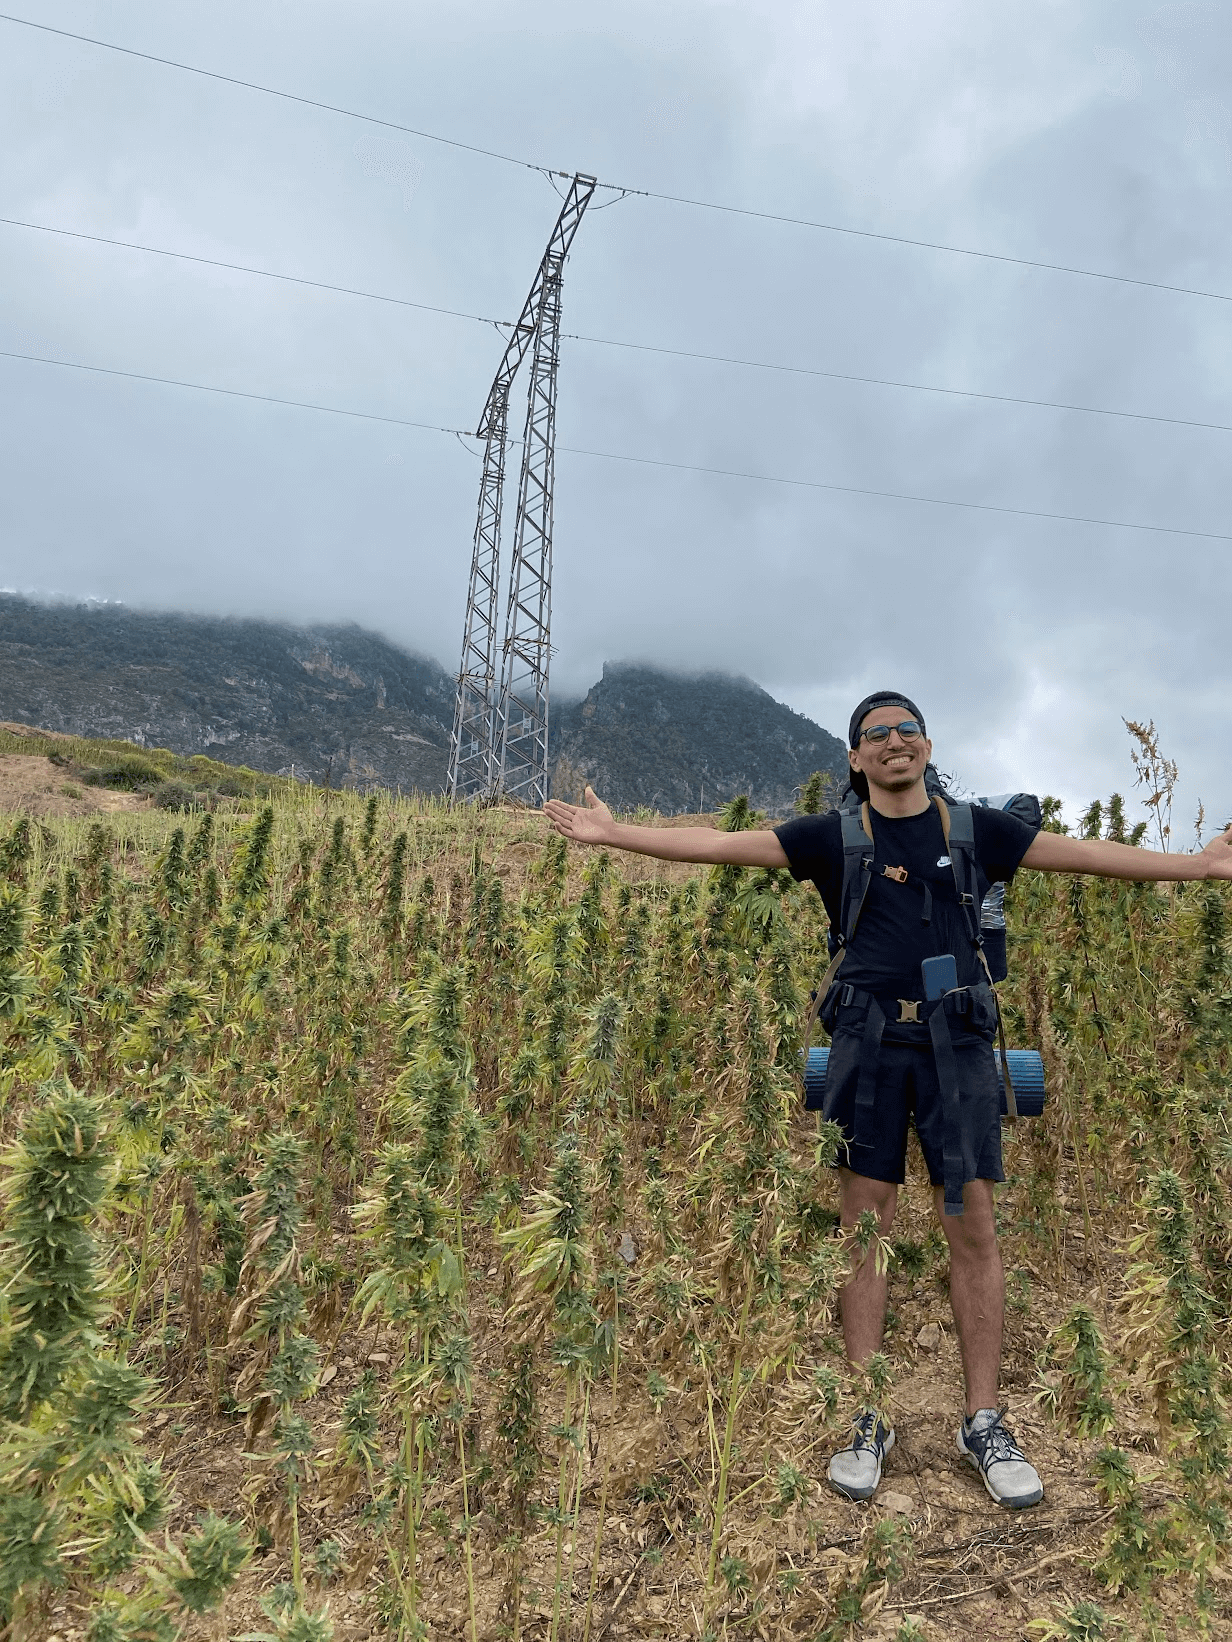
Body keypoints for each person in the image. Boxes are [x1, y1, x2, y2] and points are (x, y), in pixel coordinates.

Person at [544, 690, 1232, 1510]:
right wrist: (616, 833)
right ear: (855, 757)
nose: (895, 742)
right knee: (862, 1227)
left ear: (928, 744)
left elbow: (1082, 852)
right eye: (877, 734)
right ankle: (866, 1417)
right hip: (867, 1042)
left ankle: (983, 1421)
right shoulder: (834, 838)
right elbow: (725, 844)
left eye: (907, 729)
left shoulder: (976, 830)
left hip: (961, 1045)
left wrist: (1199, 864)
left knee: (973, 1226)